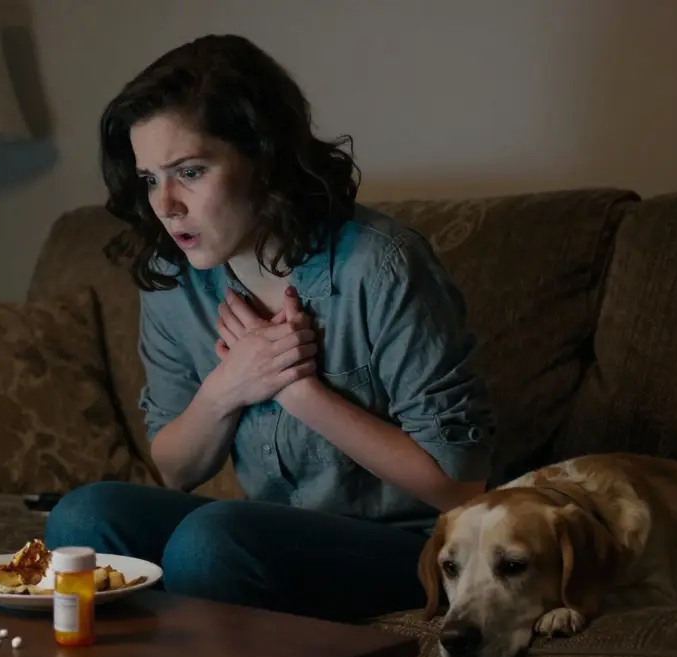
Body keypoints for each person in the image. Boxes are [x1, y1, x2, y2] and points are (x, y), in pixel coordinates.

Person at [44, 34, 497, 624]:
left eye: (190, 171)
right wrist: (230, 385)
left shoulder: (382, 267)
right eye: (151, 178)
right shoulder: (173, 274)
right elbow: (177, 468)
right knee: (81, 519)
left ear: (263, 159)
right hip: (274, 531)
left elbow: (460, 490)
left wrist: (297, 391)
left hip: (417, 545)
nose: (167, 205)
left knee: (211, 541)